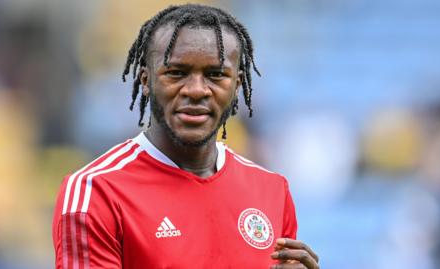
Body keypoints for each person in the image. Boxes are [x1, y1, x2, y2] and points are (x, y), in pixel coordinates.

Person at [52, 4, 319, 269]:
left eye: (216, 75)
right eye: (176, 73)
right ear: (146, 81)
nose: (196, 90)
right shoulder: (96, 191)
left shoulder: (271, 190)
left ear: (237, 85)